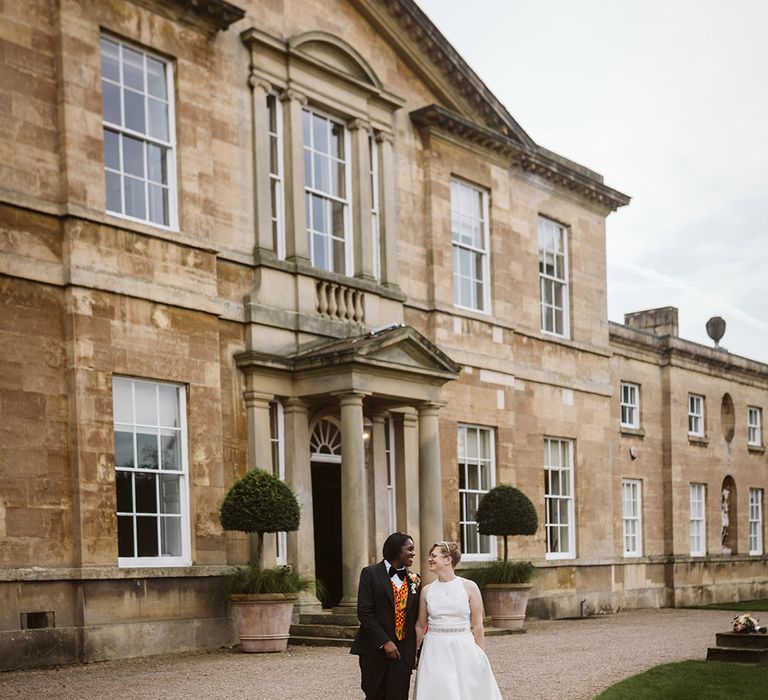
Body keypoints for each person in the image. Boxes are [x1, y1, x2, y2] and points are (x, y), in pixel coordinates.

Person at [414, 541, 502, 700]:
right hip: (435, 648)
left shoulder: (469, 587)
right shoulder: (427, 590)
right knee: (438, 691)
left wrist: (481, 654)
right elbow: (421, 625)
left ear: (448, 560)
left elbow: (477, 624)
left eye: (434, 556)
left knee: (466, 690)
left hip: (463, 647)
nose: (429, 559)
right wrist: (413, 652)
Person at [350, 532, 421, 700]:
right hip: (374, 650)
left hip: (403, 653)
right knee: (375, 695)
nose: (413, 553)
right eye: (409, 549)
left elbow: (417, 618)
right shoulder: (370, 573)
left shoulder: (415, 579)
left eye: (414, 549)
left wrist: (415, 651)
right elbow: (364, 612)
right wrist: (384, 642)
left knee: (399, 696)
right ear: (396, 550)